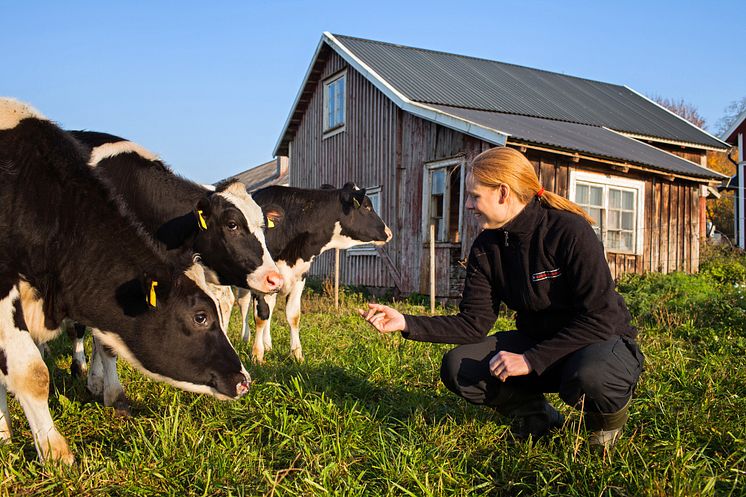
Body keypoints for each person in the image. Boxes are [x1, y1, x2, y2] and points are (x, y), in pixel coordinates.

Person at [359, 147, 644, 449]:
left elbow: (600, 317)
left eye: (474, 196)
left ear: (503, 193)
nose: (468, 205)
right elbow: (473, 324)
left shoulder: (569, 231)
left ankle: (603, 431)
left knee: (591, 376)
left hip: (598, 341)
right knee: (459, 366)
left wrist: (531, 360)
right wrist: (405, 322)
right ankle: (539, 418)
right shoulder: (486, 247)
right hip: (540, 342)